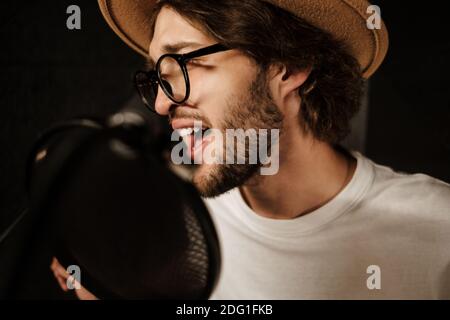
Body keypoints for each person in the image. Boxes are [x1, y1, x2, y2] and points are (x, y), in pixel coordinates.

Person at [52, 0, 450, 299]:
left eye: (183, 62)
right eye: (157, 74)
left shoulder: (437, 232)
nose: (159, 103)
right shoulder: (166, 226)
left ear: (288, 67)